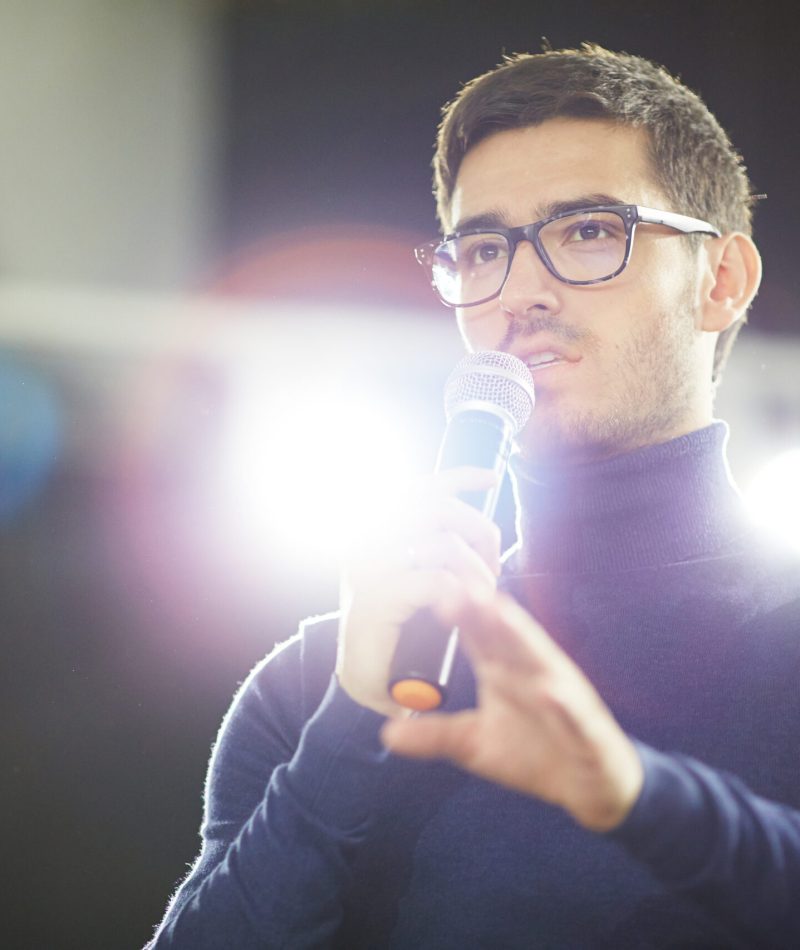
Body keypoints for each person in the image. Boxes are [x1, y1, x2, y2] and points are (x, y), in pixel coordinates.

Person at [147, 45, 800, 948]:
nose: (519, 293)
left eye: (587, 231)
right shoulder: (321, 682)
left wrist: (644, 800)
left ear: (720, 281)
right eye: (483, 248)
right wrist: (350, 731)